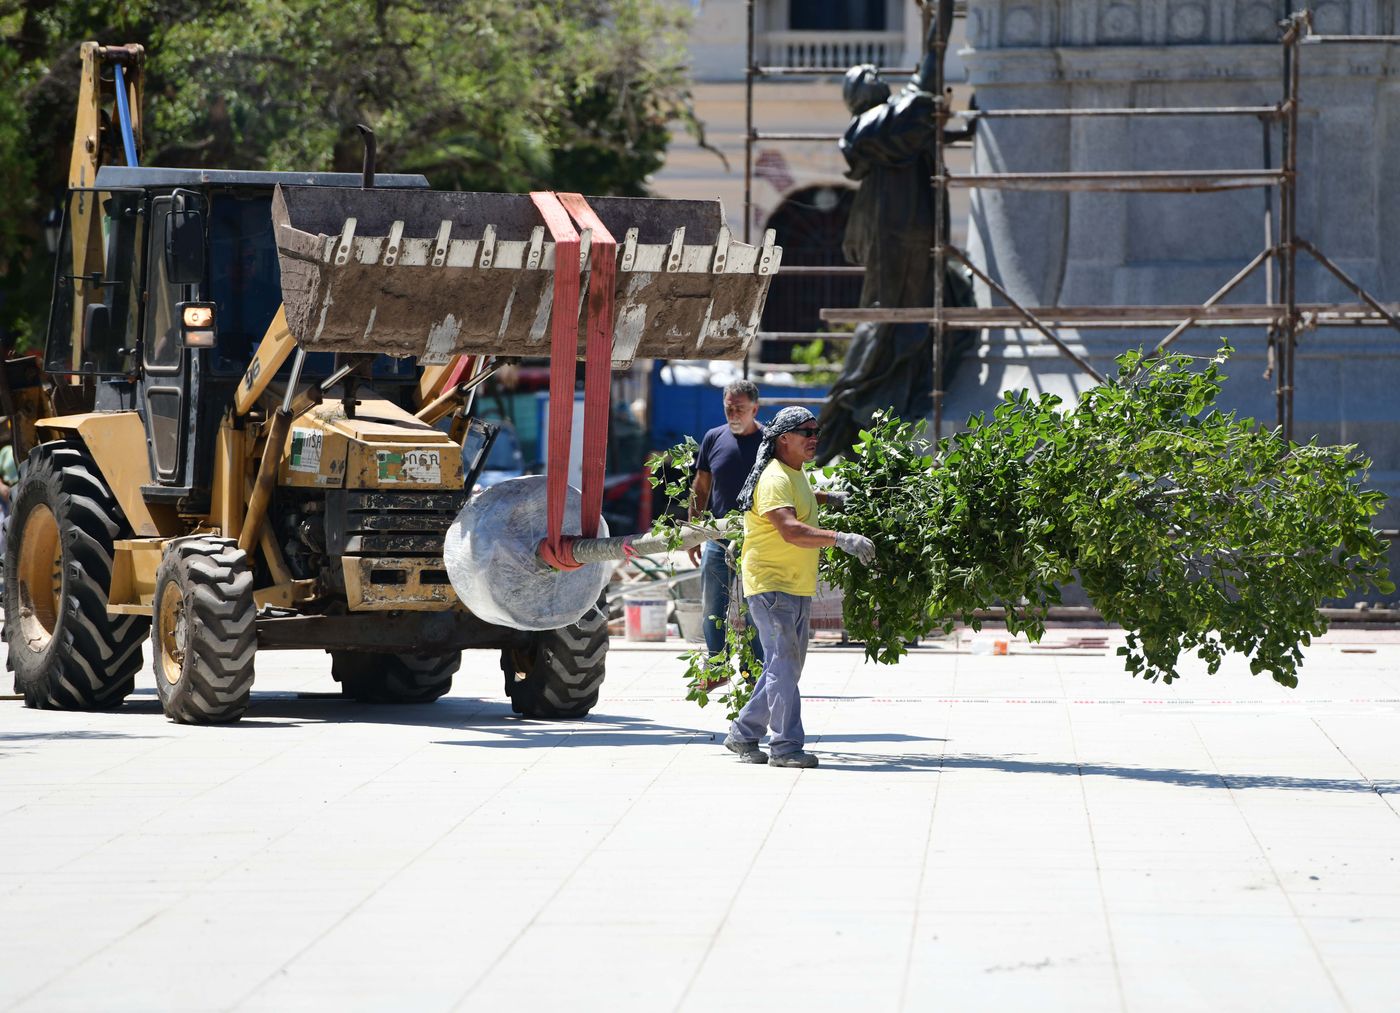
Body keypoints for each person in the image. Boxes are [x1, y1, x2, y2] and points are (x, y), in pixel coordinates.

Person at [723, 406, 876, 768]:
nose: (814, 438)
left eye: (815, 431)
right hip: (772, 585)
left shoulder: (795, 472)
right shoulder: (774, 478)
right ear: (783, 439)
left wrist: (830, 498)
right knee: (784, 666)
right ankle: (786, 747)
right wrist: (841, 538)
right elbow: (790, 529)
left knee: (783, 666)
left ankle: (743, 733)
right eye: (807, 432)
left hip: (795, 584)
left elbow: (800, 496)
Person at [688, 380, 766, 687]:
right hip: (717, 538)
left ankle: (753, 671)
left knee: (754, 607)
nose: (733, 414)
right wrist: (693, 532)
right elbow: (701, 486)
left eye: (740, 409)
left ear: (755, 409)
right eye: (729, 408)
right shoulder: (713, 438)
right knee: (712, 605)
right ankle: (717, 666)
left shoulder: (768, 442)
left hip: (757, 538)